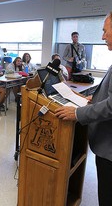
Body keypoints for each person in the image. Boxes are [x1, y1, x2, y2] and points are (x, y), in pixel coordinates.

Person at [55, 12, 112, 206]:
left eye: (105, 31)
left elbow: (111, 106)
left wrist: (77, 113)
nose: (102, 37)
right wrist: (94, 98)